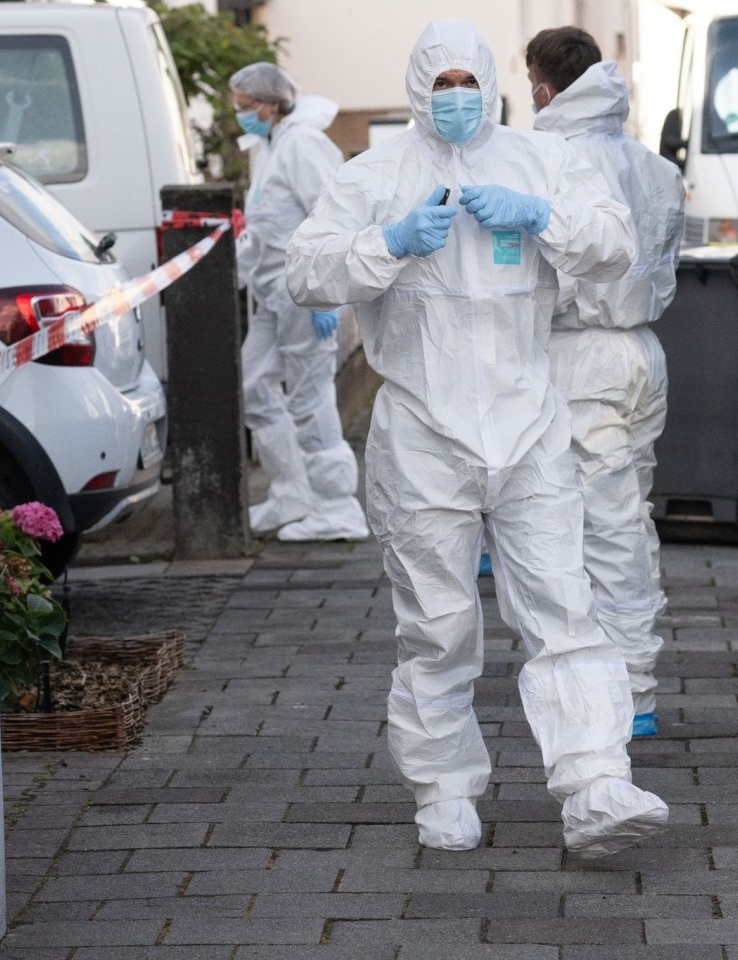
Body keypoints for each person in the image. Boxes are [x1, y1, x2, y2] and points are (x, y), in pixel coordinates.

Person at [286, 20, 668, 857]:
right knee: (438, 622)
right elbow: (303, 270)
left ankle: (596, 781)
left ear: (493, 82)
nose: (456, 95)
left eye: (470, 79)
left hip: (529, 419)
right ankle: (443, 785)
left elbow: (615, 244)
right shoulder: (376, 174)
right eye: (442, 80)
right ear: (419, 84)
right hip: (423, 427)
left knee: (565, 605)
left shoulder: (541, 161)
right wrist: (384, 243)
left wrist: (543, 217)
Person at [529, 27, 686, 739]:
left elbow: (545, 278)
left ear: (541, 87)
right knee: (631, 519)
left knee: (602, 531)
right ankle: (634, 680)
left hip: (580, 359)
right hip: (643, 355)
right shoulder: (654, 166)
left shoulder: (554, 161)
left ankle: (626, 694)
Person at [229, 62, 369, 542]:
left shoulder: (303, 144)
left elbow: (335, 214)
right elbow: (266, 228)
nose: (240, 115)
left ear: (271, 104)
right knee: (253, 386)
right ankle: (293, 493)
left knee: (310, 397)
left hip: (306, 295)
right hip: (273, 295)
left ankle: (337, 507)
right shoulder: (269, 147)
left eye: (246, 107)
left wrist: (328, 296)